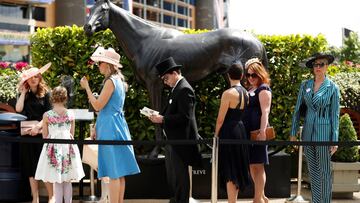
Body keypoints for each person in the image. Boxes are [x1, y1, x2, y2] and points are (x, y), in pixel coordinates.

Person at [80, 47, 140, 203]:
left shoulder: (110, 81)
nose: (98, 65)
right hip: (116, 126)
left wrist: (87, 88)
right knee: (119, 172)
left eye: (100, 62)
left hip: (111, 128)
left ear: (107, 64)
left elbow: (98, 106)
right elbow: (106, 109)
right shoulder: (118, 81)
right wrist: (97, 128)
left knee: (113, 172)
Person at [148, 57, 202, 203]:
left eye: (166, 78)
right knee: (174, 174)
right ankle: (177, 198)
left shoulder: (184, 89)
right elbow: (173, 112)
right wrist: (159, 116)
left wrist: (163, 119)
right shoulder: (177, 88)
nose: (165, 82)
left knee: (180, 175)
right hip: (173, 140)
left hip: (180, 141)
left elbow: (185, 117)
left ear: (174, 73)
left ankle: (181, 200)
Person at [290, 53, 340, 203]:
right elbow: (298, 110)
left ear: (327, 67)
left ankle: (325, 201)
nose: (318, 67)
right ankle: (317, 201)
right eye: (315, 65)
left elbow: (335, 115)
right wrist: (293, 133)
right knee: (313, 171)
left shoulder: (333, 87)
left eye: (321, 64)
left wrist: (334, 139)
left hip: (325, 134)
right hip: (307, 132)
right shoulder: (305, 85)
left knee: (324, 172)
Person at [35, 86, 85, 203]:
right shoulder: (71, 114)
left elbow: (45, 136)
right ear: (66, 98)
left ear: (52, 98)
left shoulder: (47, 115)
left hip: (53, 147)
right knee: (67, 180)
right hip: (67, 147)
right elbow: (72, 134)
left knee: (57, 180)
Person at [15, 63, 54, 203]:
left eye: (36, 76)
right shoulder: (25, 95)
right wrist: (24, 92)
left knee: (45, 165)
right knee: (30, 167)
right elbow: (18, 109)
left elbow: (49, 115)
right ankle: (35, 198)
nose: (33, 79)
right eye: (31, 77)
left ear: (40, 78)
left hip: (42, 133)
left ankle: (51, 197)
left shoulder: (46, 94)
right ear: (27, 80)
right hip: (27, 135)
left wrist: (37, 127)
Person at [214, 63, 251, 203]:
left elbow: (220, 119)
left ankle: (231, 201)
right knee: (237, 165)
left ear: (228, 75)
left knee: (230, 167)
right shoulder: (246, 93)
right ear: (242, 75)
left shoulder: (228, 94)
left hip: (229, 131)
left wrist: (215, 135)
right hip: (240, 130)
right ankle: (232, 200)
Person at [243, 58, 272, 203]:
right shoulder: (250, 89)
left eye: (253, 75)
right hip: (247, 131)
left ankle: (257, 199)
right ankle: (261, 195)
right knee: (251, 164)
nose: (250, 78)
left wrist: (262, 131)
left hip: (257, 131)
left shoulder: (263, 89)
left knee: (258, 165)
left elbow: (265, 112)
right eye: (248, 75)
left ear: (260, 74)